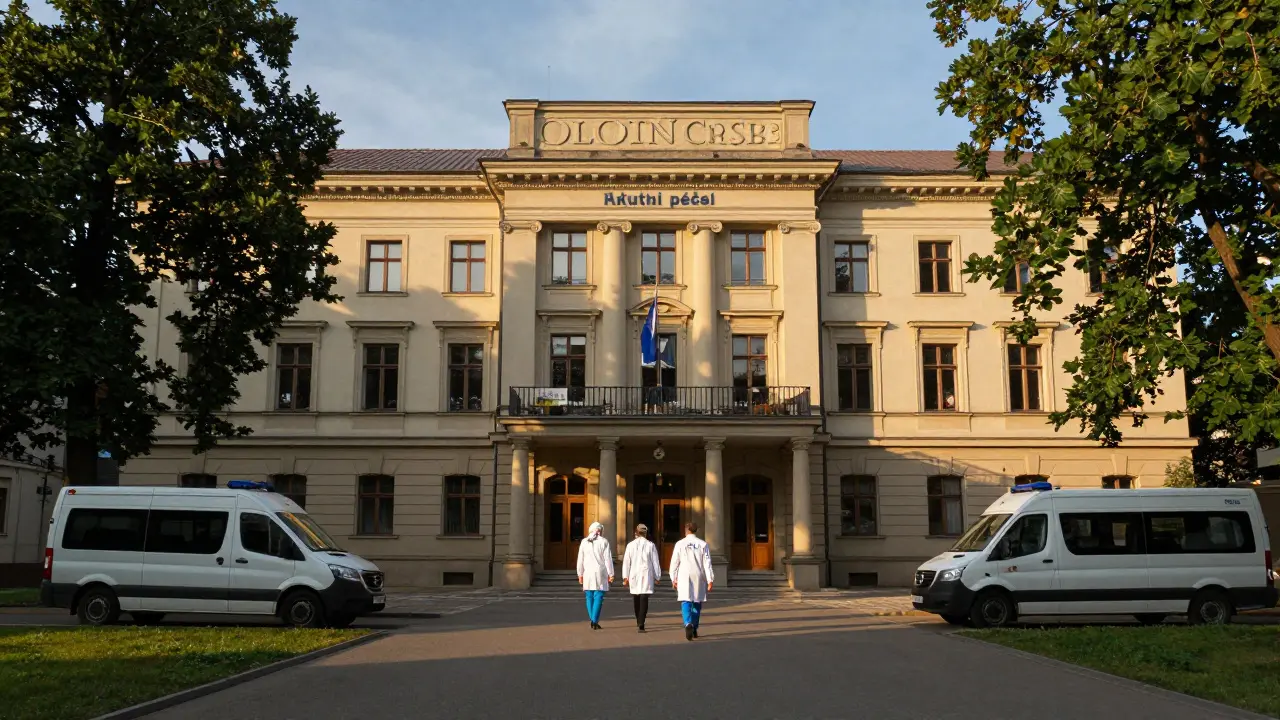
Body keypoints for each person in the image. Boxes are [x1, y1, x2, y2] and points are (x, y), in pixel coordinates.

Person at [669, 521, 714, 641]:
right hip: (698, 575)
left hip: (684, 575)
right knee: (697, 602)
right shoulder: (703, 544)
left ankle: (687, 623)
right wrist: (710, 580)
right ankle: (694, 627)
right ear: (696, 530)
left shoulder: (680, 544)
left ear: (686, 530)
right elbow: (707, 564)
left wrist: (673, 578)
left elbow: (674, 562)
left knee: (686, 600)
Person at [621, 523, 662, 632]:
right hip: (646, 574)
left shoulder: (630, 545)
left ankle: (639, 620)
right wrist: (657, 576)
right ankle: (641, 622)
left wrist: (625, 576)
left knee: (637, 597)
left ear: (637, 532)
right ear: (645, 533)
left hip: (634, 574)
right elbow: (655, 562)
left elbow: (626, 562)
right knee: (644, 598)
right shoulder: (650, 545)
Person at [577, 521, 614, 629]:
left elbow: (580, 560)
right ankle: (594, 620)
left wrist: (580, 574)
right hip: (600, 572)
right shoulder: (604, 542)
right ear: (600, 531)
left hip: (587, 572)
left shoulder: (584, 542)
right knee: (598, 596)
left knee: (589, 596)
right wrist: (611, 573)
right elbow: (608, 559)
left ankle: (593, 619)